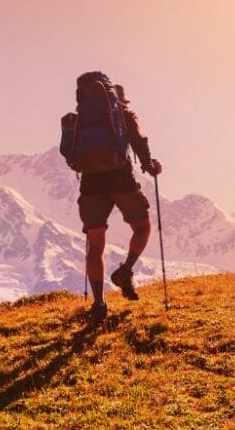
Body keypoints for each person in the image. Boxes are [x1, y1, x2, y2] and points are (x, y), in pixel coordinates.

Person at [61, 72, 162, 324]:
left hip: (91, 184)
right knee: (142, 226)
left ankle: (98, 304)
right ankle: (125, 271)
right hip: (121, 178)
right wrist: (149, 164)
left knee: (95, 247)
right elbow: (139, 141)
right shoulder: (124, 116)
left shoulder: (79, 120)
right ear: (118, 99)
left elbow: (68, 152)